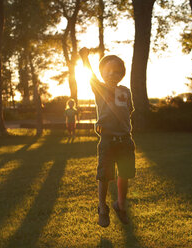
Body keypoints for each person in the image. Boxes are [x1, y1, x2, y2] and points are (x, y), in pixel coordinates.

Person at [79, 47, 135, 227]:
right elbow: (90, 75)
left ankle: (120, 205)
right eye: (108, 71)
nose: (112, 74)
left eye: (117, 71)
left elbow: (129, 111)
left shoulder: (126, 91)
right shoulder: (100, 88)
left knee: (124, 174)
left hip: (125, 140)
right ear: (102, 73)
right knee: (104, 175)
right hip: (108, 140)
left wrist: (122, 126)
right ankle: (102, 207)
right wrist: (84, 58)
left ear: (122, 74)